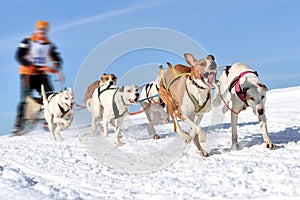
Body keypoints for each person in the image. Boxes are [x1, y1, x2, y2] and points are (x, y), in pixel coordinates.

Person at [12, 20, 63, 133]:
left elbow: (56, 56)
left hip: (42, 74)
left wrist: (57, 63)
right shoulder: (27, 42)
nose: (42, 32)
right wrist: (28, 64)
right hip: (27, 74)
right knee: (26, 99)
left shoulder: (49, 45)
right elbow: (19, 55)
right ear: (36, 30)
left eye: (44, 30)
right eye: (40, 30)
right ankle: (19, 123)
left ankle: (47, 120)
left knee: (49, 96)